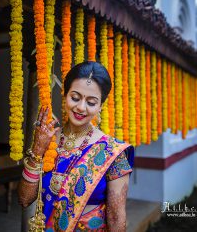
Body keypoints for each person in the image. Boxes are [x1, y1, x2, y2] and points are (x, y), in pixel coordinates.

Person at [18, 61, 134, 231]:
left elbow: (116, 218)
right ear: (65, 95)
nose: (81, 107)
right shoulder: (47, 141)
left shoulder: (113, 152)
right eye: (75, 98)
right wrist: (37, 150)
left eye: (91, 102)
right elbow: (24, 199)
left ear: (100, 105)